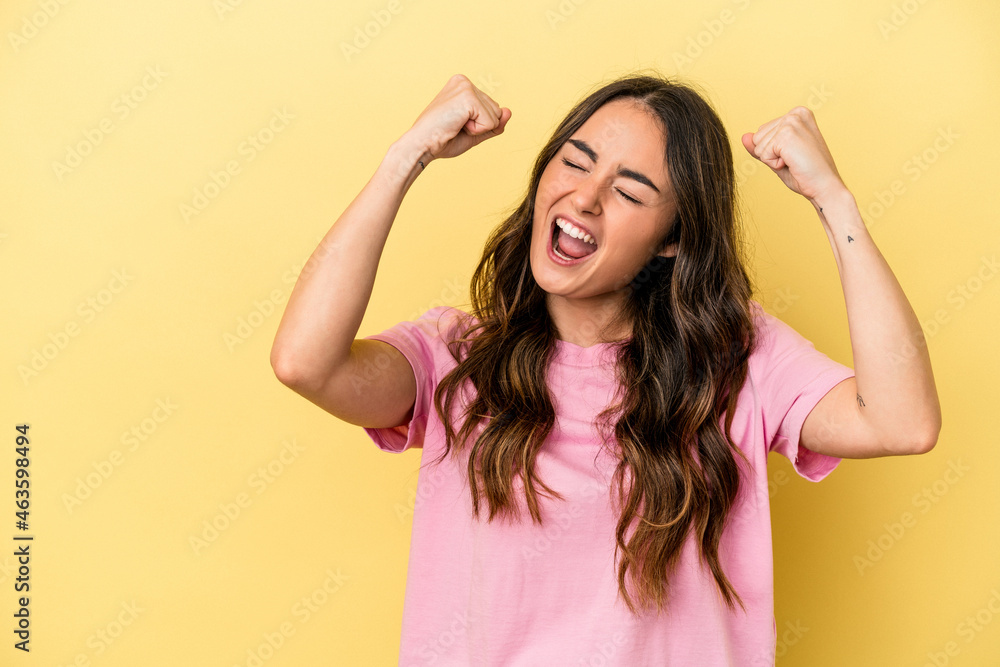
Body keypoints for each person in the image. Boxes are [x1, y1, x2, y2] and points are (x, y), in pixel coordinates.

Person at [270, 73, 941, 665]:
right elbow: (305, 361)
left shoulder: (737, 360)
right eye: (574, 162)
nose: (584, 199)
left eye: (628, 190)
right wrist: (405, 157)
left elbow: (902, 420)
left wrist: (834, 201)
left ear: (673, 238)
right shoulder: (456, 355)